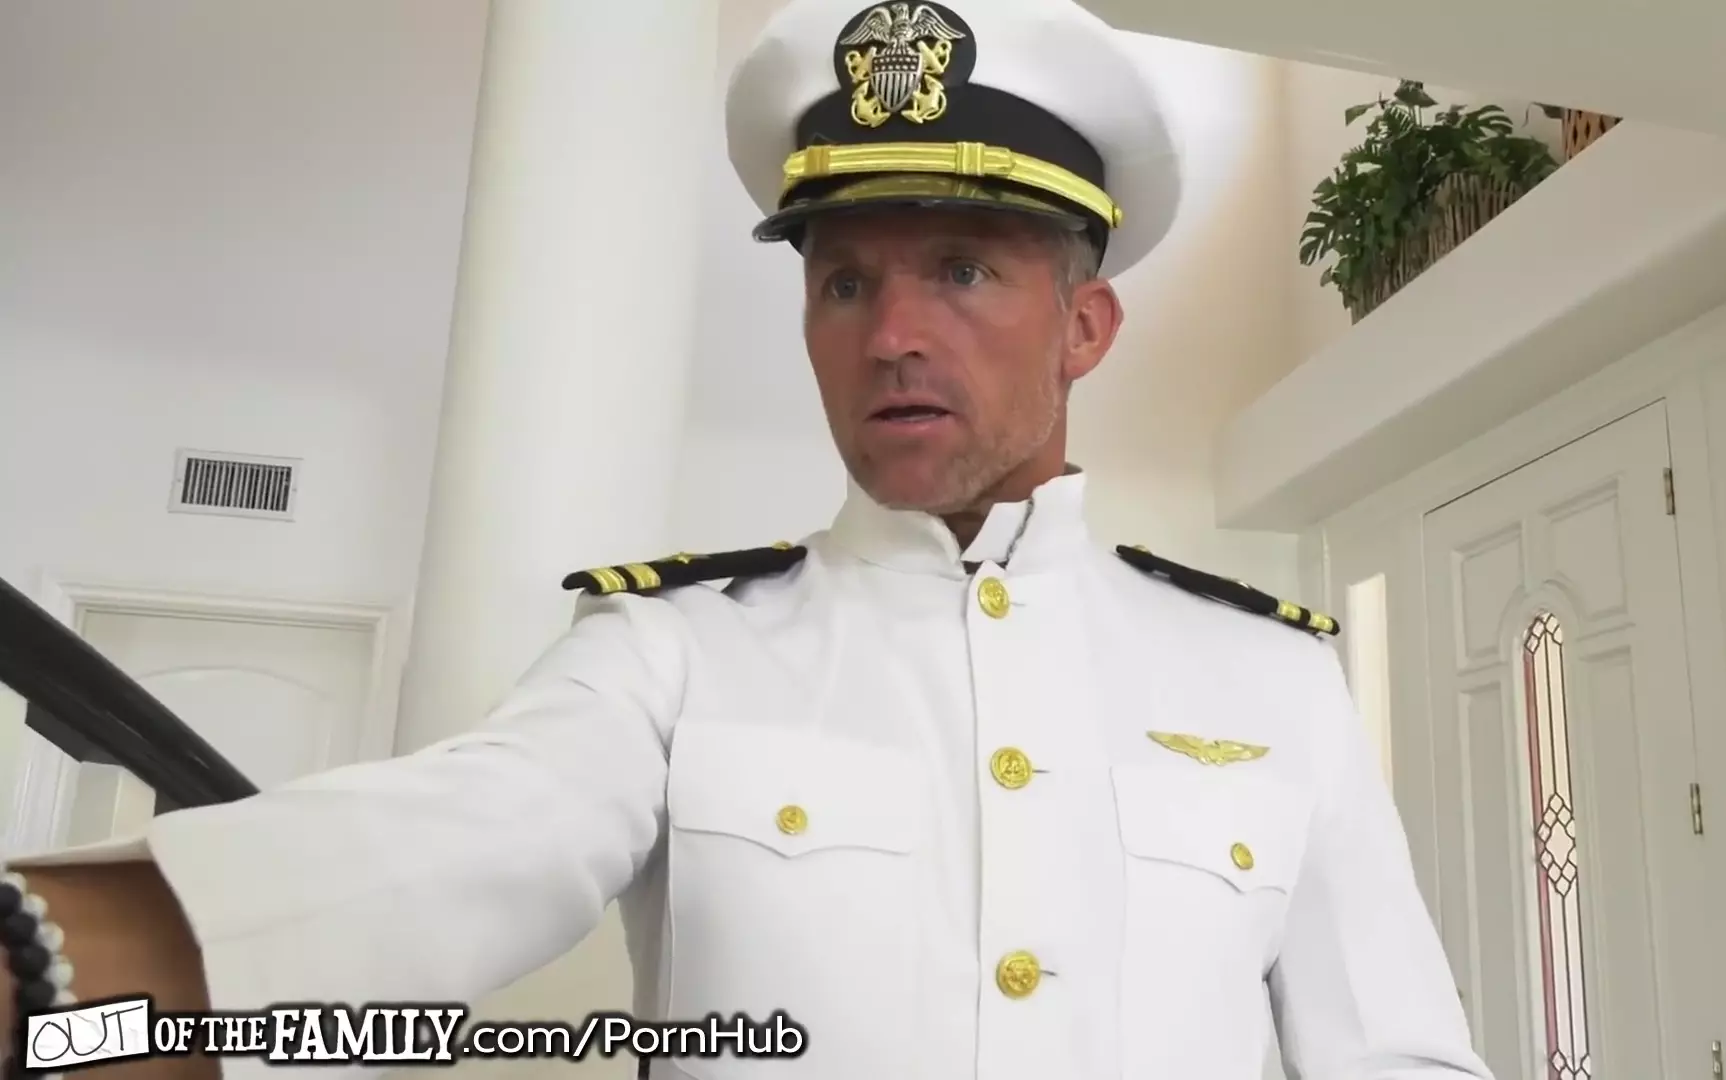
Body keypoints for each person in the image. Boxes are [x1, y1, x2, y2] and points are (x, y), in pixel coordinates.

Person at [4, 0, 1495, 1077]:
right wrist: (49, 968)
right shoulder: (671, 654)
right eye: (843, 284)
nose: (891, 334)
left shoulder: (1268, 683)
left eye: (961, 270)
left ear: (1086, 327)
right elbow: (446, 854)